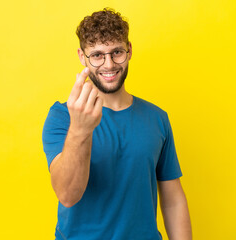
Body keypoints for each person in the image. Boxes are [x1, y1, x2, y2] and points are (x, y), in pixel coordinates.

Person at [42, 8, 192, 240]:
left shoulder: (157, 118)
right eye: (97, 55)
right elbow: (68, 194)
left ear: (129, 50)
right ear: (82, 57)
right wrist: (80, 129)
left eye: (117, 52)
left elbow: (172, 199)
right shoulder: (62, 117)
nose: (109, 64)